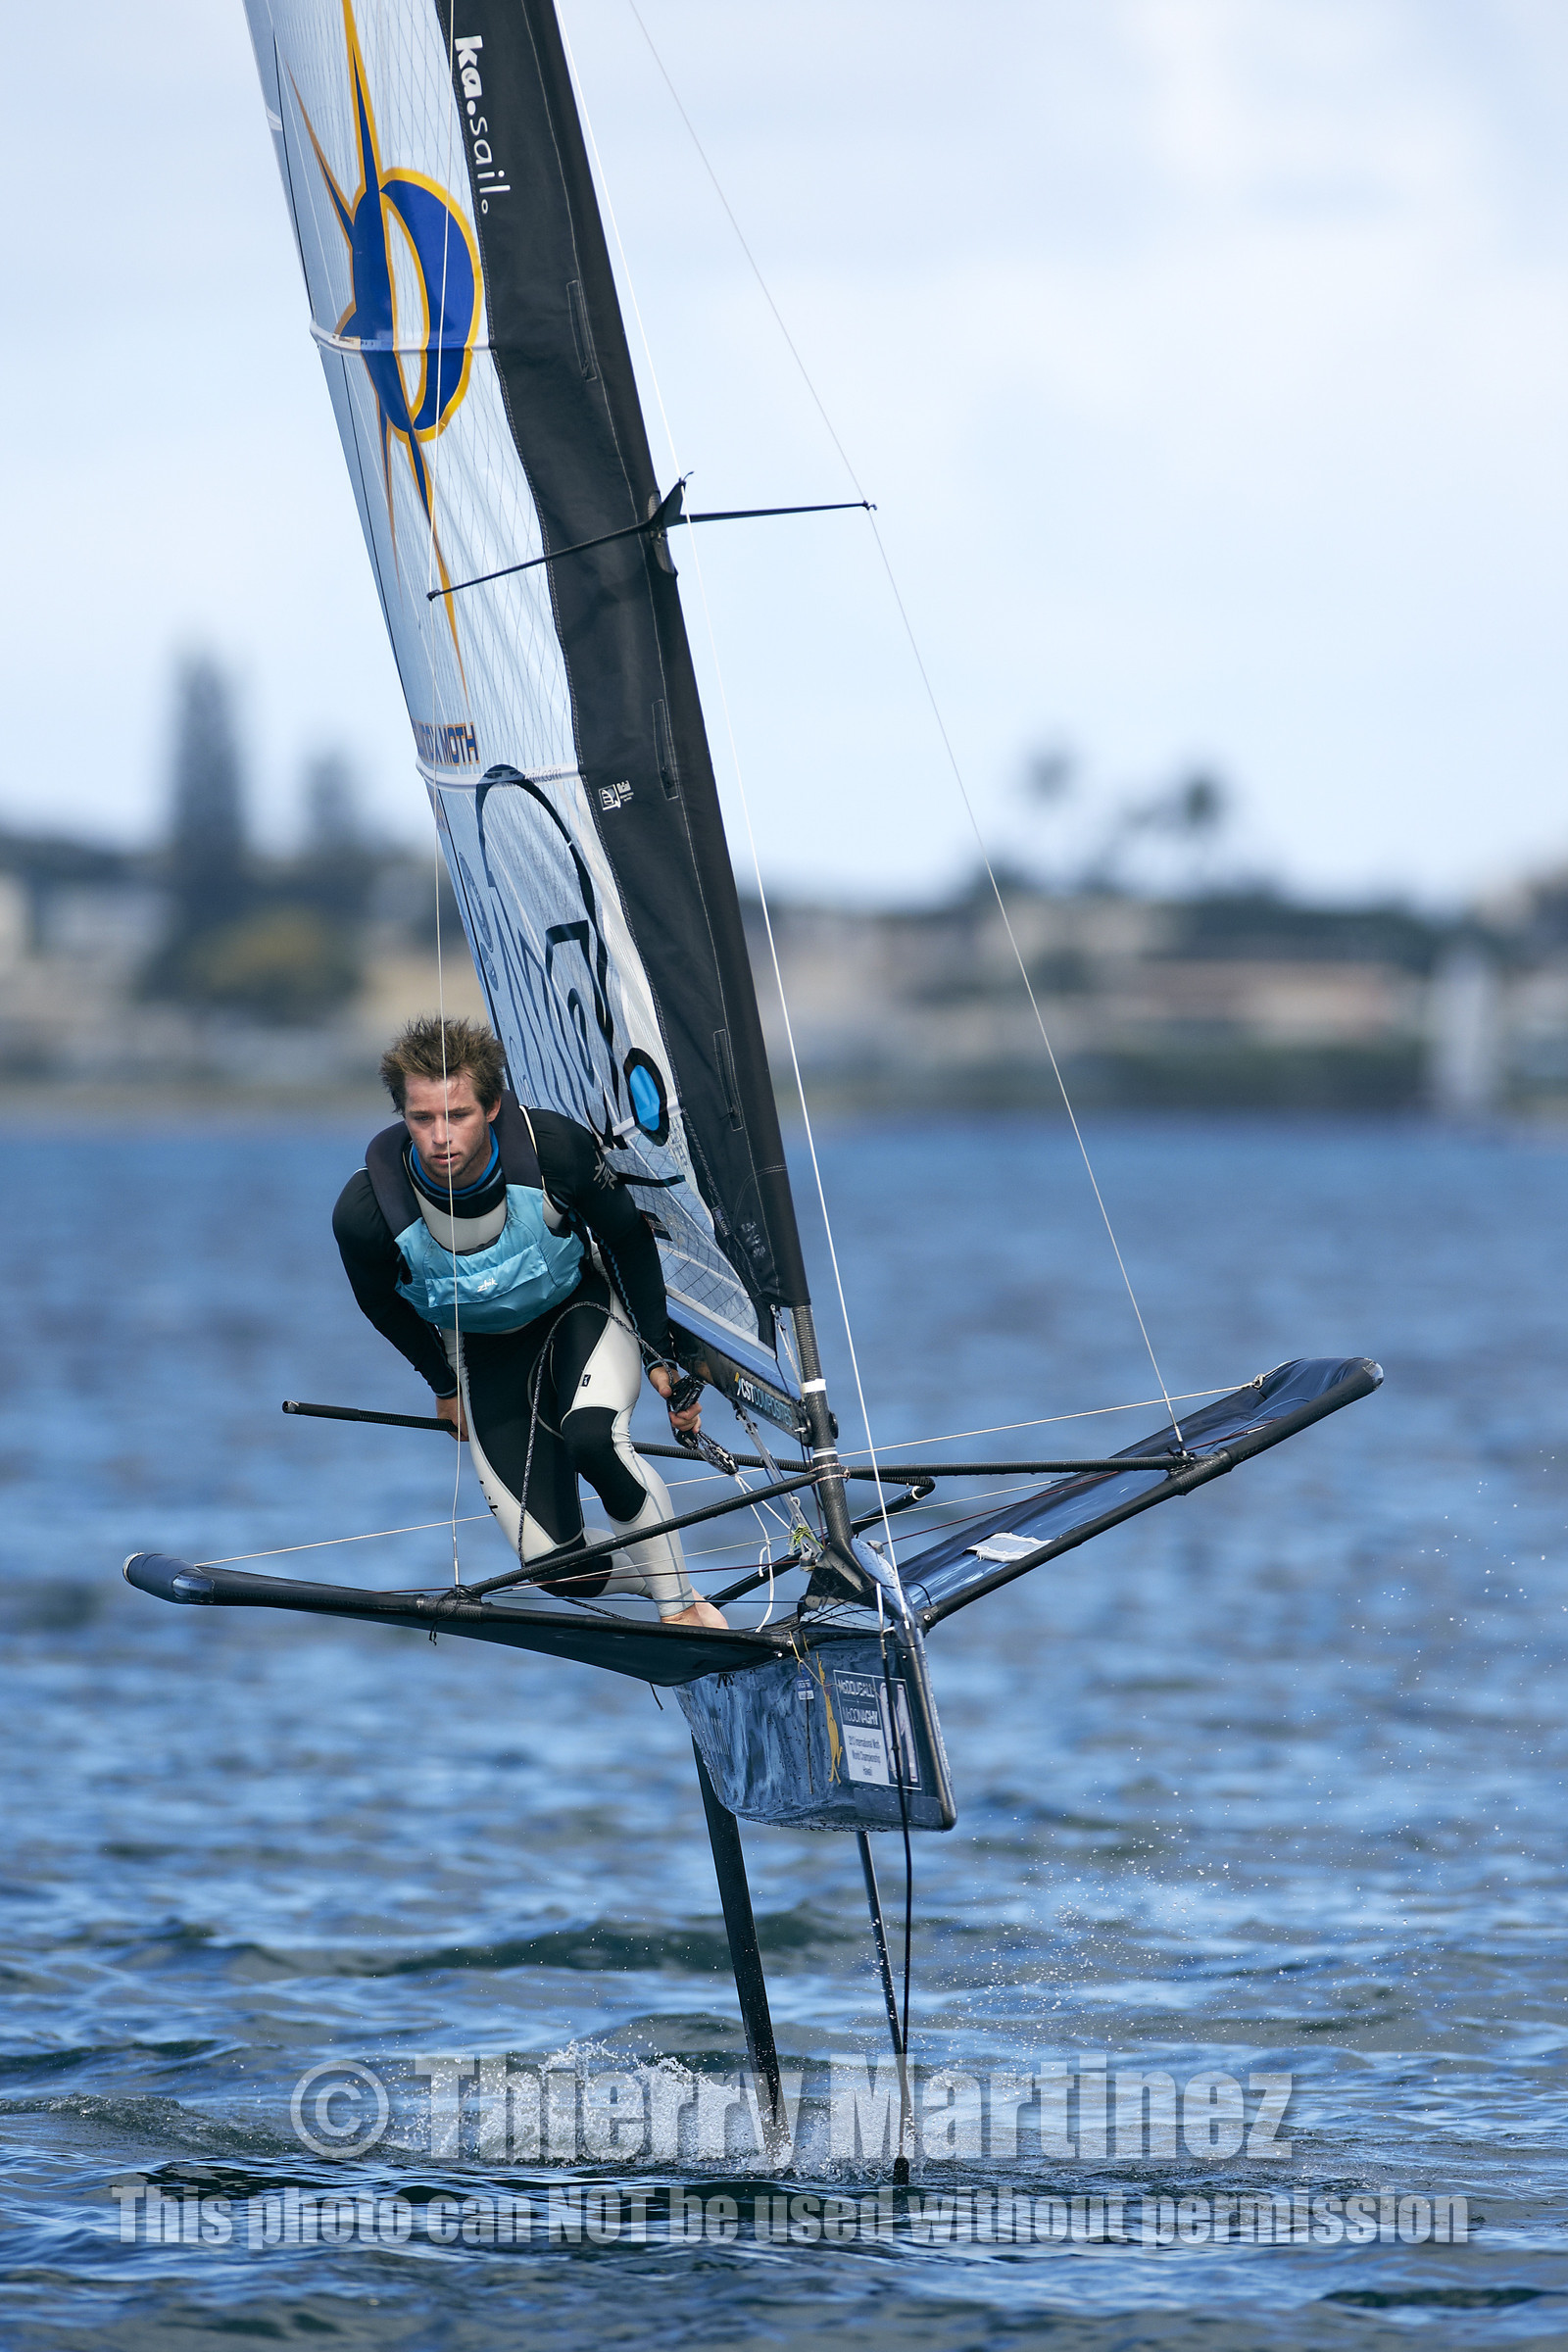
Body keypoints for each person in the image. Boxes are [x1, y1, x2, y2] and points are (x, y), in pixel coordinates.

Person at [332, 1014, 726, 1628]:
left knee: (593, 1437)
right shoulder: (366, 1214)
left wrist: (659, 1355)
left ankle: (684, 1611)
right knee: (554, 1571)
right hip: (486, 1355)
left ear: (490, 1107)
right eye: (421, 1118)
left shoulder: (557, 1153)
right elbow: (381, 1304)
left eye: (457, 1114)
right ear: (402, 1117)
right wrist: (444, 1386)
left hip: (579, 1313)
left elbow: (626, 1239)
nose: (439, 1137)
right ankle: (662, 1581)